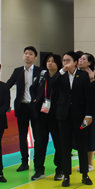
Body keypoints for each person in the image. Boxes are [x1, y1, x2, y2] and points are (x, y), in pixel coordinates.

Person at [54, 51, 95, 187]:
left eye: (68, 60)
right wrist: (61, 71)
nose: (65, 63)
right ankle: (66, 175)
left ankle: (85, 174)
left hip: (80, 116)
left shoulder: (83, 75)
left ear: (75, 62)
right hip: (63, 116)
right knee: (65, 146)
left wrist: (88, 115)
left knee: (82, 145)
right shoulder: (61, 75)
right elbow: (52, 85)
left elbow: (89, 96)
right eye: (64, 60)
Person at [7, 46, 42, 172]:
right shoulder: (17, 71)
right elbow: (7, 85)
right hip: (22, 106)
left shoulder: (40, 71)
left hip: (35, 107)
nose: (27, 55)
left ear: (35, 57)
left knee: (38, 136)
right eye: (26, 53)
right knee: (22, 136)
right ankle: (24, 162)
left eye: (30, 54)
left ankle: (38, 162)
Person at [31, 53, 61, 181]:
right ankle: (39, 170)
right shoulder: (42, 75)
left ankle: (60, 170)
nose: (50, 63)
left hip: (57, 116)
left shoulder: (62, 77)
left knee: (59, 143)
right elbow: (32, 88)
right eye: (48, 61)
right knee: (39, 143)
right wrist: (35, 100)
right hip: (41, 114)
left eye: (53, 61)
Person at [77, 52, 95, 171]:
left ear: (89, 62)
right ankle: (82, 163)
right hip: (78, 110)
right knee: (80, 136)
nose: (80, 60)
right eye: (80, 59)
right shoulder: (76, 74)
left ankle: (90, 163)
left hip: (91, 110)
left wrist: (92, 80)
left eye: (83, 59)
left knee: (91, 136)